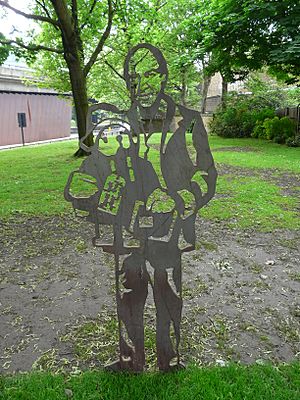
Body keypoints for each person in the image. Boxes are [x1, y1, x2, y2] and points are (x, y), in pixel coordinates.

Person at [65, 43, 217, 371]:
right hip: (128, 227)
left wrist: (180, 199)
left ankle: (171, 358)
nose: (143, 83)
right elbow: (100, 171)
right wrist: (85, 189)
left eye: (151, 74)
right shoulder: (116, 124)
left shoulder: (188, 121)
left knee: (169, 290)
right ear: (128, 82)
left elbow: (207, 172)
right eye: (136, 76)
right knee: (127, 292)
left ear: (164, 78)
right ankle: (129, 359)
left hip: (171, 226)